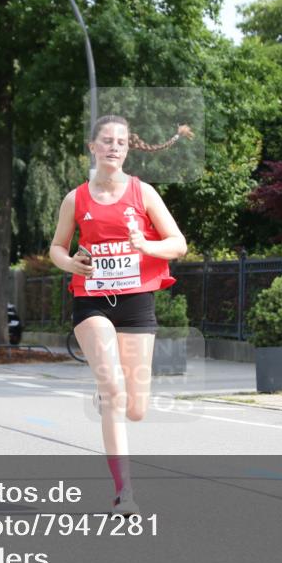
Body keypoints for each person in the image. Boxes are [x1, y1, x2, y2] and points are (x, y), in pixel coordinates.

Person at [49, 115, 189, 515]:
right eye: (106, 141)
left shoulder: (142, 193)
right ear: (92, 147)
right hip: (91, 300)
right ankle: (123, 492)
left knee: (136, 408)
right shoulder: (75, 198)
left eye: (121, 142)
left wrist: (145, 245)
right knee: (115, 393)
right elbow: (57, 247)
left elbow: (177, 243)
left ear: (129, 149)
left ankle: (108, 391)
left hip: (136, 301)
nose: (113, 147)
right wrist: (70, 263)